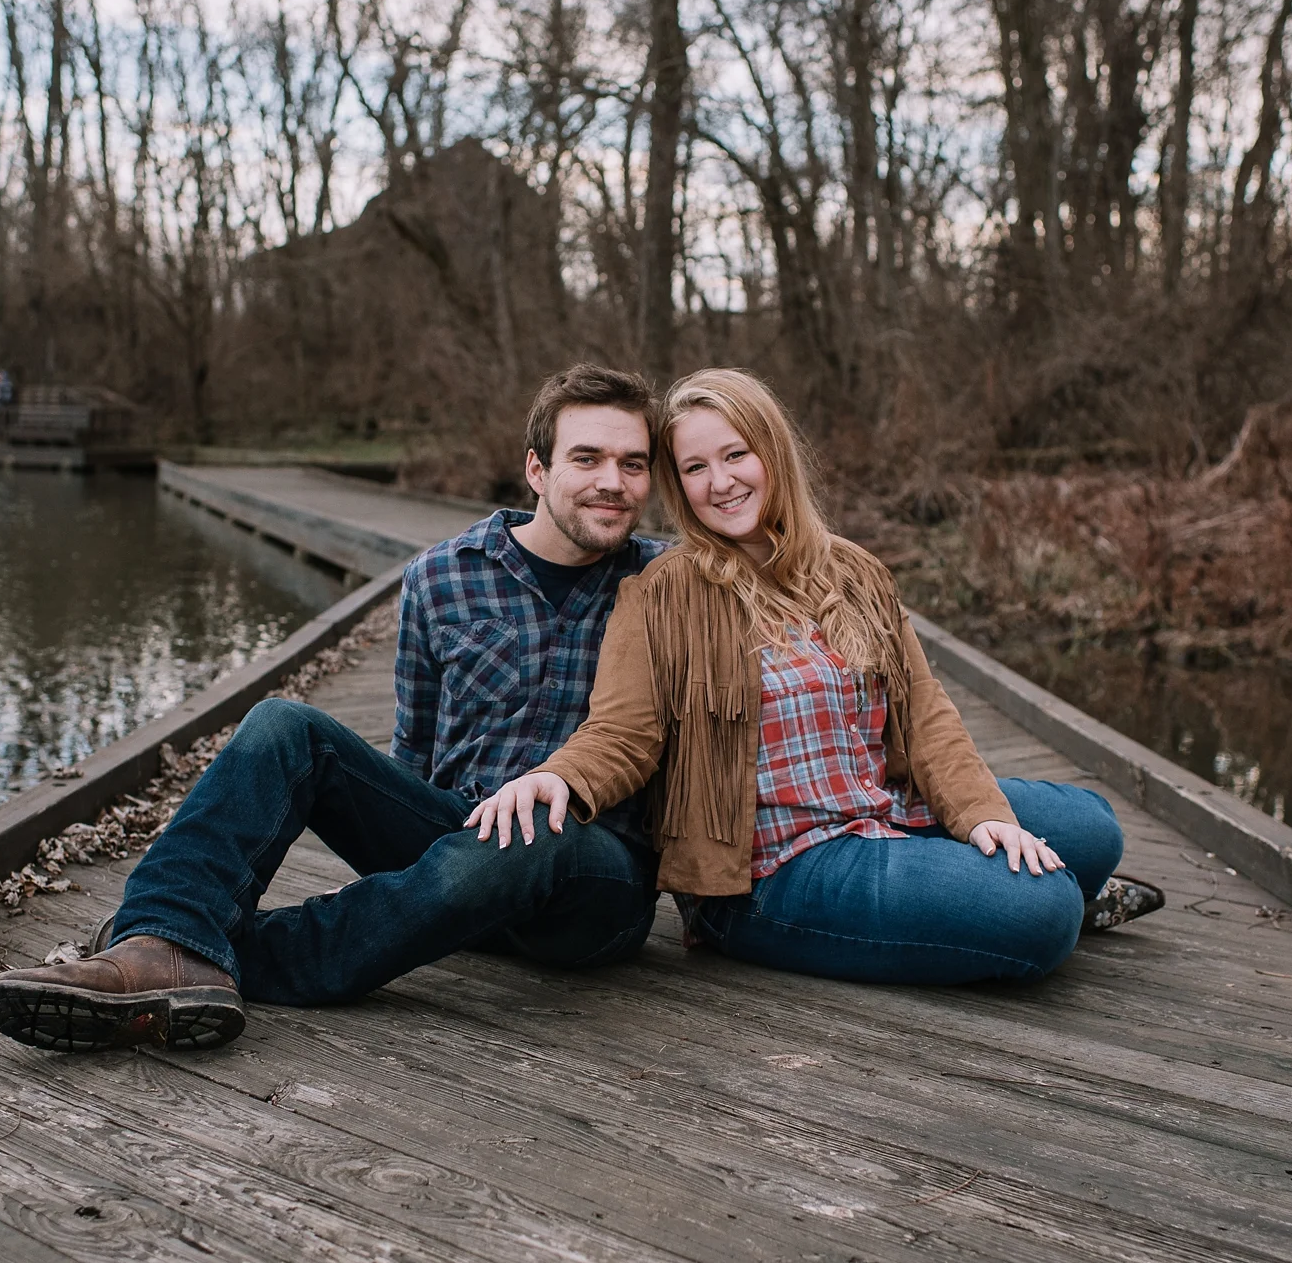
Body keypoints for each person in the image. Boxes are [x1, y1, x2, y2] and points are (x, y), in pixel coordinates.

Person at [0, 364, 667, 1051]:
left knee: (532, 833)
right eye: (587, 458)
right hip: (460, 843)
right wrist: (415, 865)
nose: (613, 480)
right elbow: (413, 755)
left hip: (590, 879)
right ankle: (166, 932)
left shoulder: (670, 585)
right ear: (537, 469)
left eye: (633, 463)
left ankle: (197, 951)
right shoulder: (442, 576)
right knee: (284, 725)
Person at [469, 368, 1161, 987]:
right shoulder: (661, 592)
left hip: (880, 803)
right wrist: (559, 777)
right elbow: (623, 733)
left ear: (772, 452)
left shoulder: (853, 570)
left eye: (736, 454)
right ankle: (1012, 907)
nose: (721, 482)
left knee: (1092, 828)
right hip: (774, 867)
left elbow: (926, 716)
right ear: (678, 485)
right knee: (1044, 910)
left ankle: (959, 885)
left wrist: (982, 817)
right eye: (695, 467)